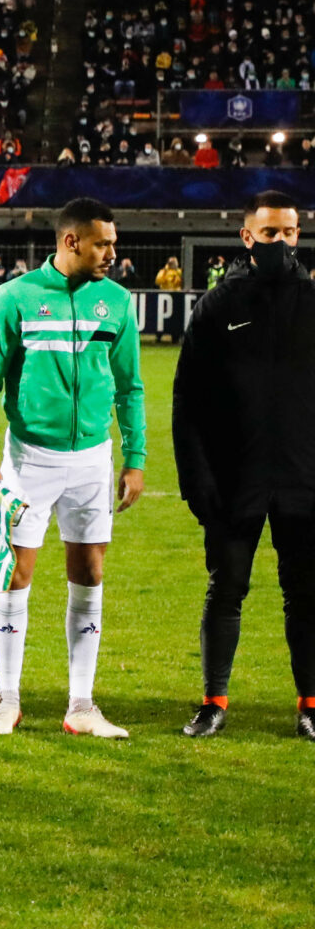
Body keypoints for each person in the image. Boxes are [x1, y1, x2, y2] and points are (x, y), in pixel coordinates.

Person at [0, 197, 146, 739]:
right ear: (71, 241)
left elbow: (131, 387)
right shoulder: (15, 298)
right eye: (103, 243)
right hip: (28, 460)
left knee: (89, 573)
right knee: (15, 575)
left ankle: (81, 704)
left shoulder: (115, 302)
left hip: (93, 460)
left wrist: (134, 460)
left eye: (112, 243)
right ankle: (8, 698)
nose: (112, 253)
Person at [171, 192, 315, 742]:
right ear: (247, 237)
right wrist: (196, 477)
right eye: (269, 233)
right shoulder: (218, 306)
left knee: (306, 594)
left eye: (289, 232)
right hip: (235, 481)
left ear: (298, 235)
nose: (280, 242)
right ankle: (213, 702)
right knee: (226, 588)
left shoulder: (312, 301)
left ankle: (309, 705)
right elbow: (187, 402)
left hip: (304, 481)